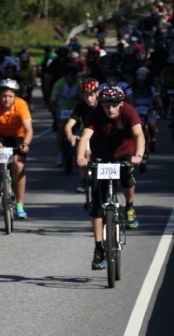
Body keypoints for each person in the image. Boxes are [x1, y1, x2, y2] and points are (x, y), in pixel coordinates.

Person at [76, 85, 145, 269]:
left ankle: (130, 207)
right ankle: (98, 248)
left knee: (126, 175)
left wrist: (138, 155)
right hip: (102, 154)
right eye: (106, 105)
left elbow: (139, 135)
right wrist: (81, 157)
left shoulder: (129, 112)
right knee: (97, 203)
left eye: (114, 105)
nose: (110, 109)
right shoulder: (96, 114)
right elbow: (84, 137)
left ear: (121, 103)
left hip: (123, 151)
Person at [0, 78, 33, 219]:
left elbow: (28, 129)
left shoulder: (21, 105)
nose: (6, 99)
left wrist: (26, 144)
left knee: (18, 164)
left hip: (17, 136)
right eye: (4, 96)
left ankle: (20, 204)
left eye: (10, 96)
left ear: (15, 96)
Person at [64, 78, 100, 193]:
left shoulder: (104, 104)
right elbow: (69, 125)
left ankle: (110, 181)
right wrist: (70, 135)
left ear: (97, 93)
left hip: (103, 135)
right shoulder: (81, 106)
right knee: (85, 152)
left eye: (91, 95)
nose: (89, 98)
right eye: (85, 95)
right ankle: (83, 180)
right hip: (87, 135)